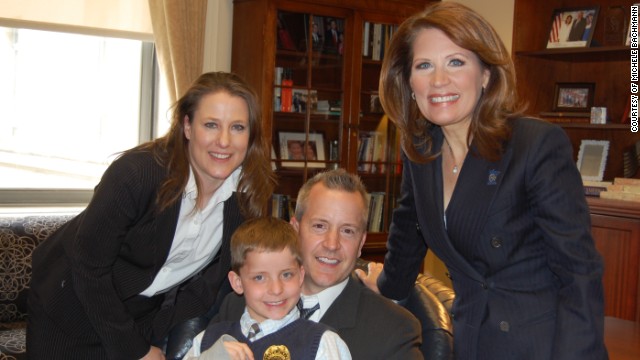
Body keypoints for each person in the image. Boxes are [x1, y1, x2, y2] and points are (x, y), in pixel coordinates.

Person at [357, 3, 608, 359]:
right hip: (473, 341)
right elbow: (407, 232)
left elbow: (579, 273)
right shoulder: (421, 150)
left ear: (486, 75)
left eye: (456, 62)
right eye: (424, 65)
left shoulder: (534, 145)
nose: (438, 80)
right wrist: (384, 287)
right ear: (409, 82)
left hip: (544, 346)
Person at [26, 71, 277, 360]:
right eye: (211, 125)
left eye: (237, 127)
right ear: (187, 126)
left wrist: (153, 331)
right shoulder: (136, 174)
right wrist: (135, 348)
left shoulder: (244, 202)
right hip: (70, 307)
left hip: (137, 318)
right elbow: (88, 268)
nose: (224, 141)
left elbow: (209, 287)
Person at [214, 169, 422, 359]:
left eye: (347, 231)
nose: (332, 244)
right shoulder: (238, 305)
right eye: (320, 226)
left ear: (361, 243)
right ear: (295, 229)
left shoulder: (393, 329)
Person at [184, 217, 351, 360]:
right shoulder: (207, 340)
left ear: (301, 275)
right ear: (237, 282)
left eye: (286, 275)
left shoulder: (321, 343)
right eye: (259, 278)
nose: (276, 289)